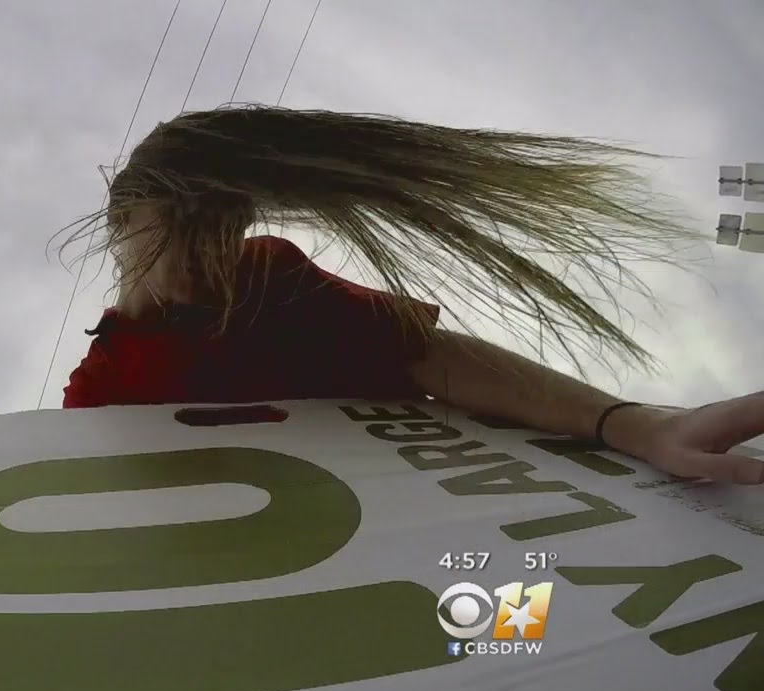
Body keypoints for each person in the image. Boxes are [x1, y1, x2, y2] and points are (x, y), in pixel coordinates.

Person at [57, 105, 764, 486]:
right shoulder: (96, 398)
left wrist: (637, 426)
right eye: (189, 217)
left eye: (232, 218)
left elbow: (425, 357)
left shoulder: (266, 279)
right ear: (124, 217)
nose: (215, 245)